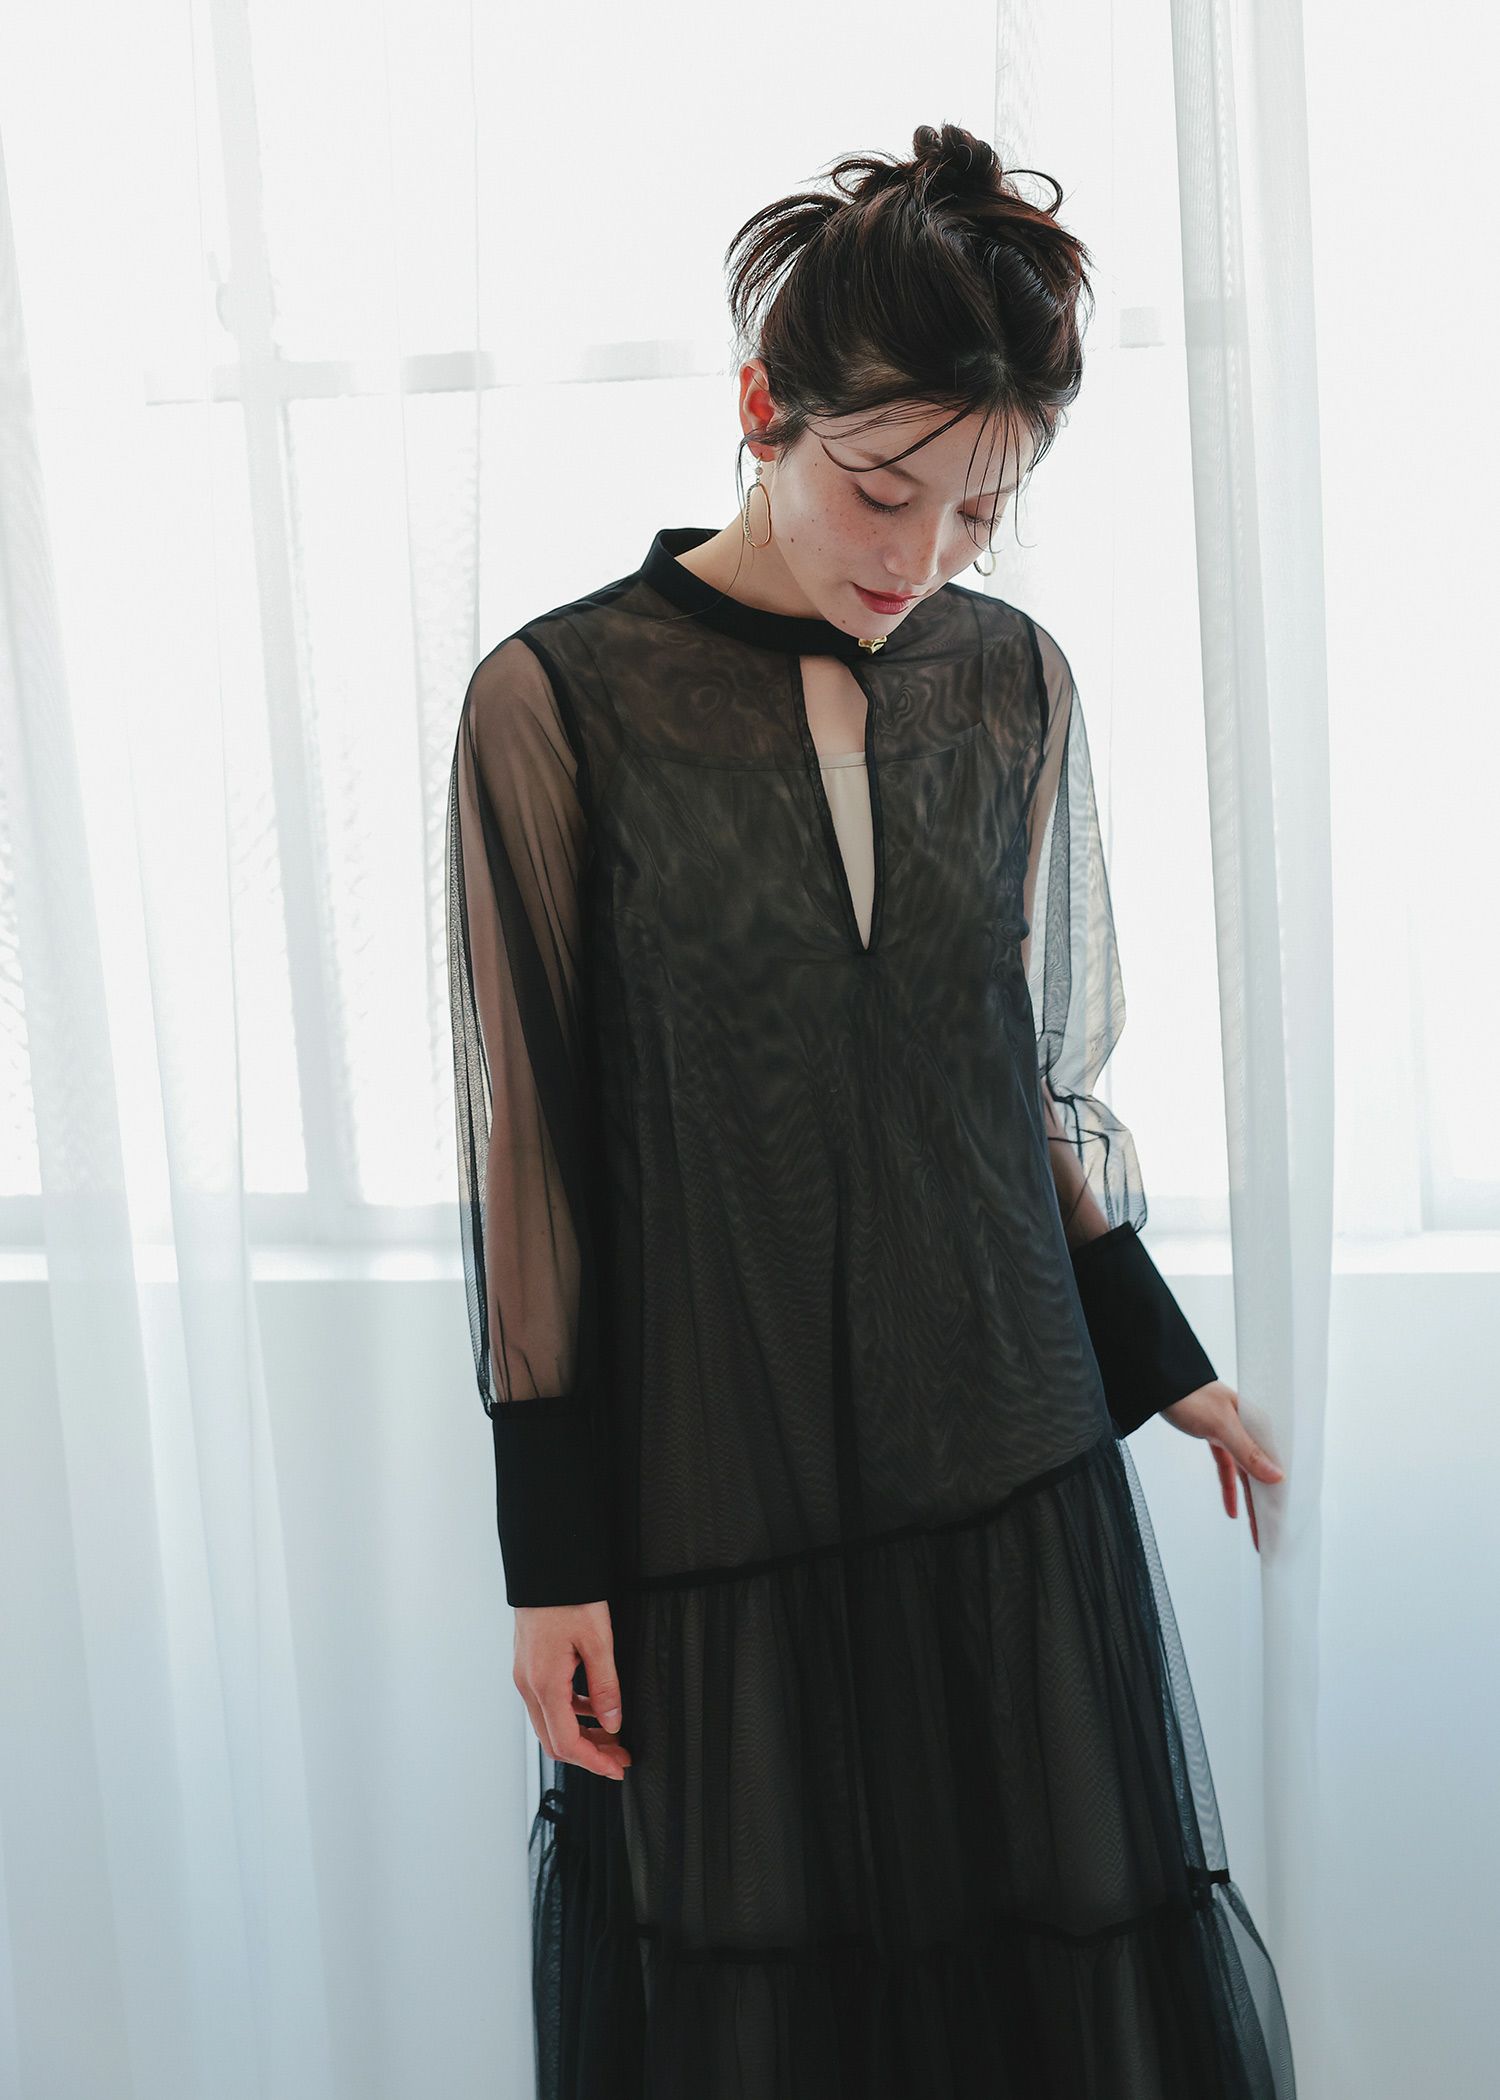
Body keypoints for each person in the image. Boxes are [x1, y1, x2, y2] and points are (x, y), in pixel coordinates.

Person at [447, 121, 1296, 2100]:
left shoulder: (1011, 687)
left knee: (1048, 1999)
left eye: (983, 514)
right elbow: (533, 1149)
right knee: (764, 2015)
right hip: (713, 1493)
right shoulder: (556, 704)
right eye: (883, 489)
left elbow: (1007, 1083)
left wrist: (1164, 1360)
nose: (920, 561)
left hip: (1005, 1463)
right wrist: (546, 1555)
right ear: (765, 407)